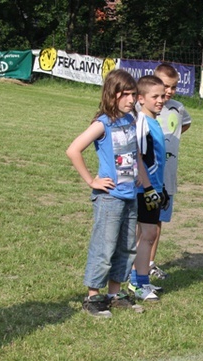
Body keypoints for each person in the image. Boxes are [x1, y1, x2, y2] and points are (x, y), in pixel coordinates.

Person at [66, 69, 156, 317]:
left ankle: (114, 293)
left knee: (126, 247)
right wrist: (91, 180)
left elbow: (136, 155)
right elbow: (73, 150)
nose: (130, 99)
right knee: (104, 247)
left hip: (130, 195)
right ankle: (93, 297)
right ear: (112, 95)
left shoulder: (131, 120)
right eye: (125, 94)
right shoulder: (102, 123)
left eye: (133, 94)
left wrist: (145, 184)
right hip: (109, 198)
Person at [144, 63, 193, 282]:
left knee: (157, 220)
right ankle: (133, 262)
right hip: (146, 175)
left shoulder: (178, 108)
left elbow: (185, 125)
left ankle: (150, 263)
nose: (169, 91)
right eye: (165, 86)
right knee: (140, 219)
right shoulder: (143, 106)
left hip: (167, 176)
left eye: (173, 87)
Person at [128, 75, 169, 301]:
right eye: (155, 96)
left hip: (153, 189)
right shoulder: (142, 122)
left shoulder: (153, 121)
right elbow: (140, 158)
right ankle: (137, 283)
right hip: (144, 190)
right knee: (148, 234)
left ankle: (140, 279)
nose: (161, 100)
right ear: (141, 99)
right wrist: (149, 188)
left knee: (147, 234)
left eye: (163, 96)